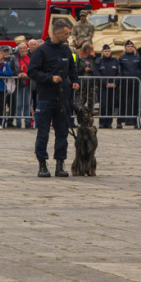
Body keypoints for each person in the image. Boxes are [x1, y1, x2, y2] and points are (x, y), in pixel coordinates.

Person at [28, 19, 80, 178]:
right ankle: (42, 164)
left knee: (62, 132)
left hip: (63, 98)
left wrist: (75, 80)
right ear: (57, 33)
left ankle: (60, 164)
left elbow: (72, 67)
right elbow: (32, 72)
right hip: (46, 98)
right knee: (43, 133)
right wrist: (50, 78)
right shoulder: (41, 51)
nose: (68, 36)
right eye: (66, 33)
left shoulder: (65, 50)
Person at [93, 44, 121, 128]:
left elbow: (119, 73)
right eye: (105, 51)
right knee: (103, 105)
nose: (107, 52)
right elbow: (97, 74)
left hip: (113, 87)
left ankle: (109, 123)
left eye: (108, 51)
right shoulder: (99, 61)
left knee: (111, 105)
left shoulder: (115, 61)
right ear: (102, 52)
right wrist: (106, 83)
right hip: (103, 87)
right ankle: (102, 123)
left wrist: (115, 82)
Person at [117, 40, 141, 129]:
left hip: (135, 83)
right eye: (128, 46)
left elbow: (140, 69)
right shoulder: (122, 58)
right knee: (123, 102)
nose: (130, 48)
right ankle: (120, 121)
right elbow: (119, 70)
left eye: (131, 46)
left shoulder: (137, 58)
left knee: (135, 102)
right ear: (125, 48)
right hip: (125, 83)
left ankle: (136, 121)